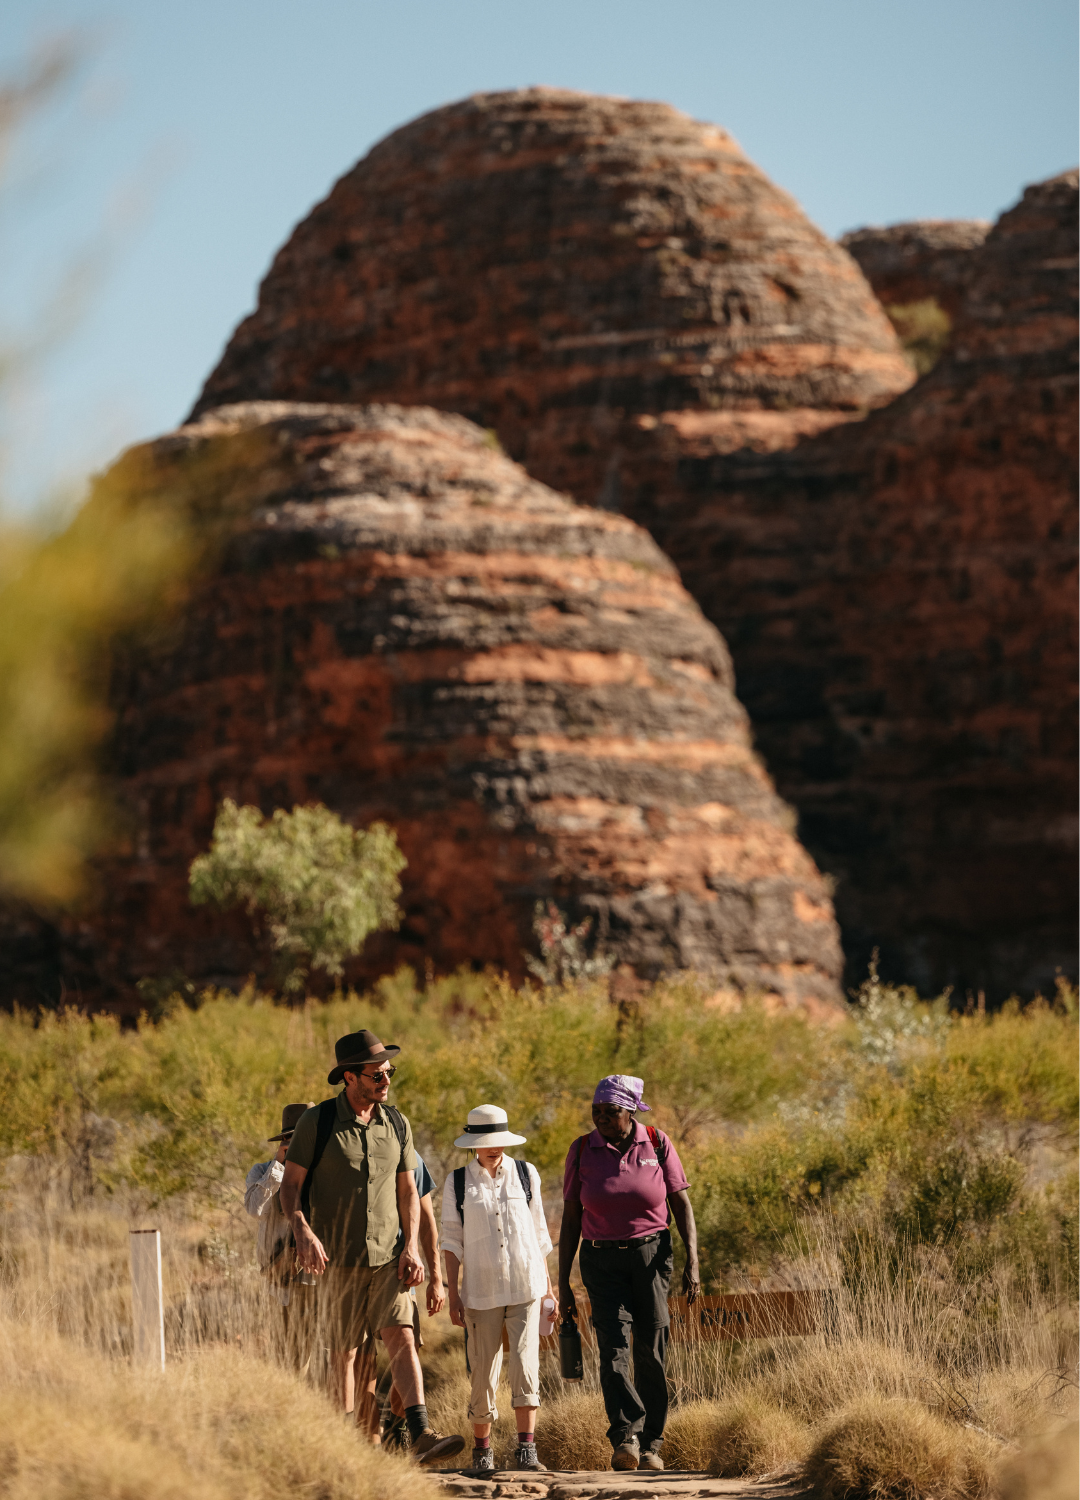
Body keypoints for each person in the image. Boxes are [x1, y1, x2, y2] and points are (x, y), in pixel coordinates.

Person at [279, 1028, 464, 1466]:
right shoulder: (317, 1123)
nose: (385, 1080)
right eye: (376, 1074)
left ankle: (420, 1434)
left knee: (402, 1336)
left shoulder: (396, 1123)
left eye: (388, 1072)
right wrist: (302, 1229)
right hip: (335, 1261)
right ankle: (343, 1443)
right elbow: (290, 1187)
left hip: (389, 1257)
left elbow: (407, 1195)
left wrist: (413, 1250)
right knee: (342, 1352)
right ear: (349, 1077)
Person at [558, 1075, 700, 1473]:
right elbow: (571, 1218)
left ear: (630, 1110)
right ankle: (626, 1437)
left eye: (611, 1111)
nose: (601, 1118)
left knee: (650, 1352)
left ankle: (654, 1442)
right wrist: (563, 1281)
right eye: (596, 1111)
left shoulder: (656, 1142)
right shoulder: (583, 1149)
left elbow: (681, 1204)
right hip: (600, 1261)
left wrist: (693, 1260)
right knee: (613, 1350)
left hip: (651, 1257)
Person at [442, 1105, 556, 1474]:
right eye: (486, 1142)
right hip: (480, 1291)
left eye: (498, 1141)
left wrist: (548, 1288)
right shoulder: (457, 1182)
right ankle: (483, 1452)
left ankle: (526, 1451)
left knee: (526, 1367)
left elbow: (539, 1233)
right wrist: (453, 1293)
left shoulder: (526, 1174)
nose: (494, 1148)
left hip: (526, 1286)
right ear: (473, 1143)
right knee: (482, 1373)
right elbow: (451, 1240)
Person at [244, 1101, 316, 1366]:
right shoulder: (262, 1171)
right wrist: (278, 1168)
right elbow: (254, 1209)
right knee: (286, 1353)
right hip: (280, 1276)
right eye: (292, 1138)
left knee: (322, 1353)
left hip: (319, 1275)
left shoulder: (322, 1170)